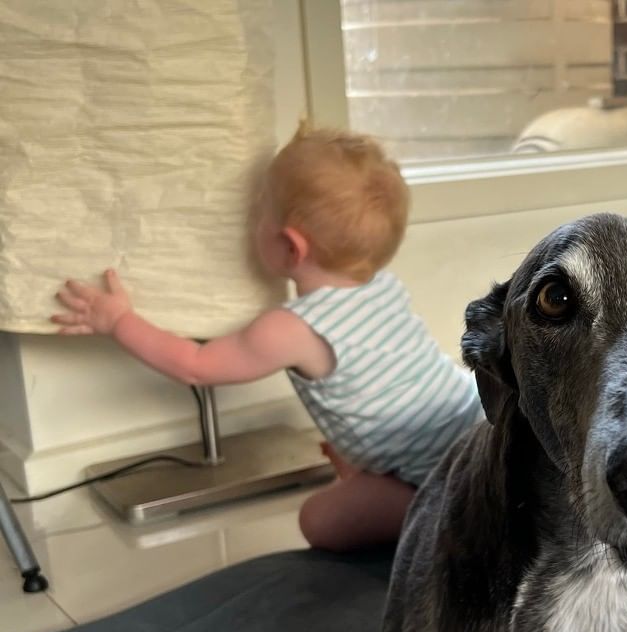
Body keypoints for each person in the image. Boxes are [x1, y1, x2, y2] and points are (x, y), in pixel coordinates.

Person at [52, 124, 483, 550]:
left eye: (260, 211)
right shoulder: (382, 286)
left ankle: (451, 519)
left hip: (451, 477)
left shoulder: (290, 329)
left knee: (318, 520)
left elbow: (195, 365)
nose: (251, 221)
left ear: (291, 247)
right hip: (471, 416)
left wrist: (118, 320)